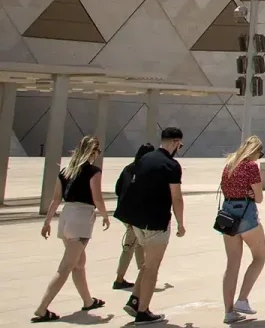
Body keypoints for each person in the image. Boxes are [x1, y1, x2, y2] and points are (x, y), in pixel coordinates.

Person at [32, 135, 109, 323]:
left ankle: (88, 300)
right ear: (92, 151)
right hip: (81, 218)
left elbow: (56, 199)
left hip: (66, 217)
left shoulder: (66, 171)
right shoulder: (93, 172)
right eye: (97, 151)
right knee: (66, 267)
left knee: (79, 263)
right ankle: (42, 308)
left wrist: (47, 221)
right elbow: (97, 197)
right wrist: (105, 214)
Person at [113, 127, 186, 325]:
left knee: (147, 264)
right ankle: (143, 312)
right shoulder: (172, 165)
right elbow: (176, 197)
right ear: (175, 142)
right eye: (179, 144)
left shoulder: (145, 159)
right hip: (156, 222)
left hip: (137, 221)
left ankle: (135, 300)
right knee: (153, 267)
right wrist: (181, 223)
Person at [219, 136, 265, 325]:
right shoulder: (251, 167)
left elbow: (226, 189)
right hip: (245, 214)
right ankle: (242, 299)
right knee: (260, 256)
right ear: (255, 151)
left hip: (228, 213)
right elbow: (259, 197)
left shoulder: (229, 164)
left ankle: (228, 311)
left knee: (232, 264)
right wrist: (250, 193)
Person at [113, 143, 155, 290]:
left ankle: (142, 272)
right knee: (130, 245)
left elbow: (117, 188)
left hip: (124, 212)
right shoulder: (146, 171)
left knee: (139, 243)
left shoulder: (128, 168)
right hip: (135, 214)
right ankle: (119, 278)